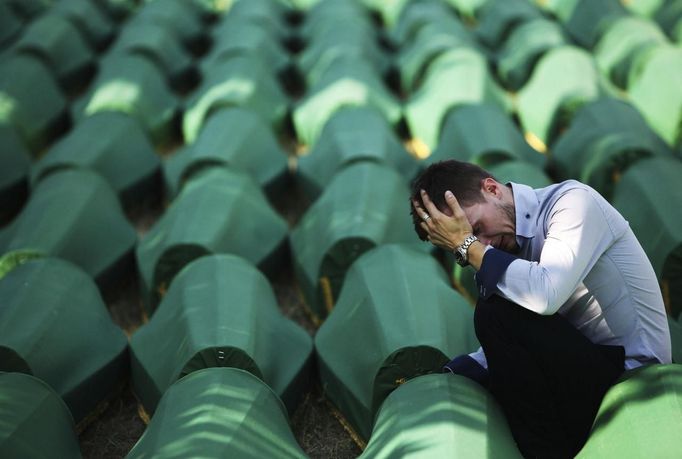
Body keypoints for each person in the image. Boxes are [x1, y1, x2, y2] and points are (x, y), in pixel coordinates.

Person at [410, 160, 672, 458]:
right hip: (586, 371)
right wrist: (446, 377)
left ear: (492, 189)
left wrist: (467, 246)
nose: (482, 244)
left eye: (477, 229)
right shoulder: (502, 245)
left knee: (492, 311)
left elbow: (545, 295)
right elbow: (514, 342)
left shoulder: (573, 203)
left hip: (634, 378)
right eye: (460, 245)